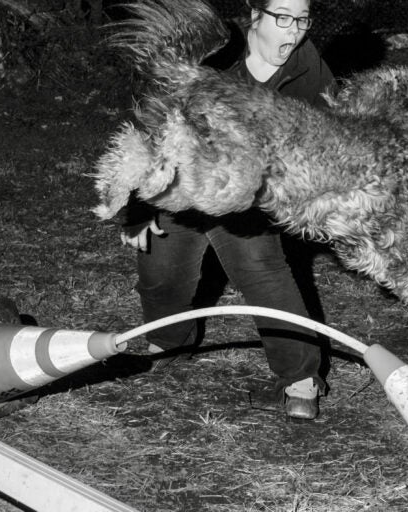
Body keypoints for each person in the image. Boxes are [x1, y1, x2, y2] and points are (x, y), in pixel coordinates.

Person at [120, 0, 336, 420]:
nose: (294, 32)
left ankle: (300, 378)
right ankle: (168, 343)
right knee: (160, 275)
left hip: (244, 197)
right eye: (283, 18)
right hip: (182, 187)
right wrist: (137, 208)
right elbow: (153, 127)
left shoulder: (309, 68)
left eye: (303, 20)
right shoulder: (212, 54)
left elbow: (330, 137)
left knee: (263, 270)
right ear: (256, 15)